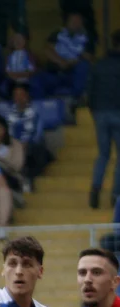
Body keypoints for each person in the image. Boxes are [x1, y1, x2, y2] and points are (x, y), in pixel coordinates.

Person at [89, 30, 120, 209]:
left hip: (100, 113)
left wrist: (95, 111)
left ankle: (95, 188)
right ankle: (116, 195)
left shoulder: (99, 64)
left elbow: (90, 91)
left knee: (103, 154)